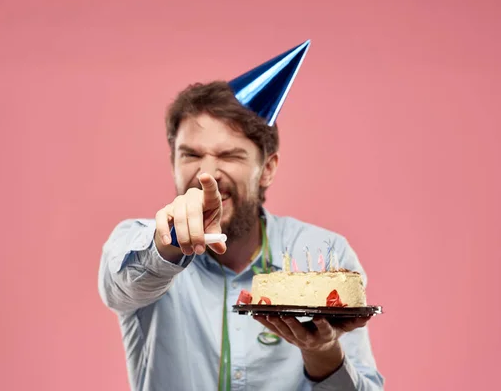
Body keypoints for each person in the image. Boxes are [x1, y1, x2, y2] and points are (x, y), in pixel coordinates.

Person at [98, 40, 385, 391]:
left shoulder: (324, 253)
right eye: (190, 155)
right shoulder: (137, 242)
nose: (208, 174)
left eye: (229, 156)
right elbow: (120, 287)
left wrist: (322, 351)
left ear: (267, 169)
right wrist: (167, 242)